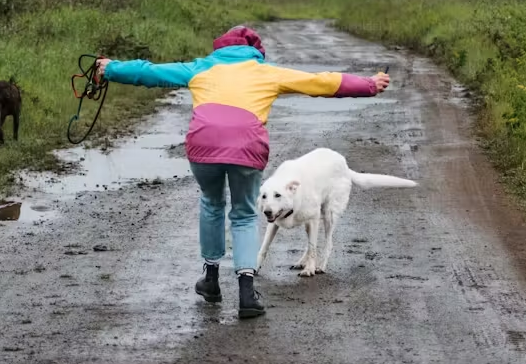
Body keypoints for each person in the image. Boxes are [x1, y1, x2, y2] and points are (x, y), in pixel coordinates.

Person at [95, 25, 391, 319]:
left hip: (203, 145)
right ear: (256, 52)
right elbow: (321, 82)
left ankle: (211, 280)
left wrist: (110, 69)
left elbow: (150, 72)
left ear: (220, 47)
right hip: (247, 148)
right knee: (246, 213)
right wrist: (369, 84)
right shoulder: (266, 72)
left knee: (211, 204)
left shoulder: (200, 68)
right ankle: (247, 294)